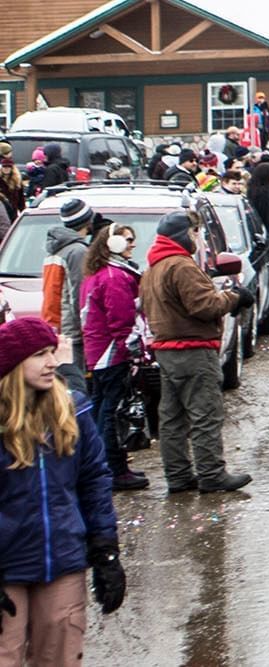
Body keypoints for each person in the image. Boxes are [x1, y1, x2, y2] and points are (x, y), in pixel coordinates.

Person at [0, 317, 126, 663]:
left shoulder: (73, 411)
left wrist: (105, 551)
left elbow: (94, 481)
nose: (52, 363)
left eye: (52, 352)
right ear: (13, 364)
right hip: (7, 565)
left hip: (62, 560)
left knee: (60, 657)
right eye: (40, 355)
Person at [140, 211, 255, 493]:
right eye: (194, 233)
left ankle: (178, 475)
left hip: (166, 350)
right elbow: (204, 306)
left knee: (172, 417)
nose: (197, 238)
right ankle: (211, 474)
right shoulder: (181, 266)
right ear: (182, 235)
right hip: (192, 349)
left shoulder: (152, 269)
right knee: (205, 413)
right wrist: (234, 297)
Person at [79, 224, 150, 491]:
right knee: (113, 413)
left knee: (102, 410)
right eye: (128, 240)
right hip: (111, 354)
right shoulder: (114, 277)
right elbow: (122, 322)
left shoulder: (100, 273)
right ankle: (114, 470)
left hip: (99, 353)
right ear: (114, 244)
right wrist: (133, 353)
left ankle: (104, 466)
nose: (133, 244)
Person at [41, 200, 97, 389]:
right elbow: (78, 296)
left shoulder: (55, 250)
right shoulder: (78, 251)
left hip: (55, 326)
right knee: (75, 385)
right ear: (87, 221)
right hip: (71, 332)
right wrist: (85, 329)